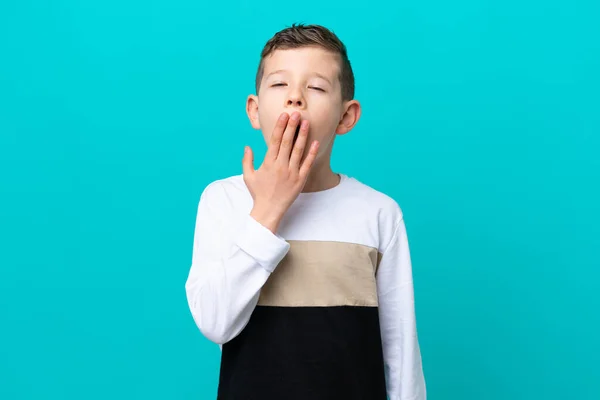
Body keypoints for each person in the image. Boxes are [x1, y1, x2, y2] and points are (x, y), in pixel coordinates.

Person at [185, 23, 426, 400]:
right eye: (279, 85)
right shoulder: (223, 201)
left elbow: (401, 351)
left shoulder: (379, 213)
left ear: (346, 117)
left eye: (315, 88)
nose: (295, 97)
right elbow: (215, 323)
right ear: (254, 109)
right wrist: (268, 208)